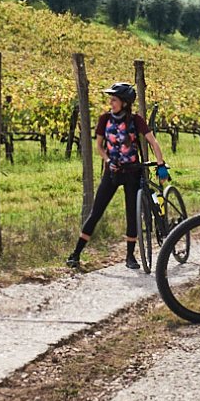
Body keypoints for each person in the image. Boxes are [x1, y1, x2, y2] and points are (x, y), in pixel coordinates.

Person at [66, 81, 169, 269]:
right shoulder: (104, 119)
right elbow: (99, 146)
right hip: (112, 172)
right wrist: (107, 160)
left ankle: (130, 257)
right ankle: (76, 253)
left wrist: (161, 164)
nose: (111, 102)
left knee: (132, 213)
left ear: (124, 102)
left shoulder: (135, 120)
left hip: (132, 172)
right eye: (111, 99)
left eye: (114, 99)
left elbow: (153, 142)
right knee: (96, 211)